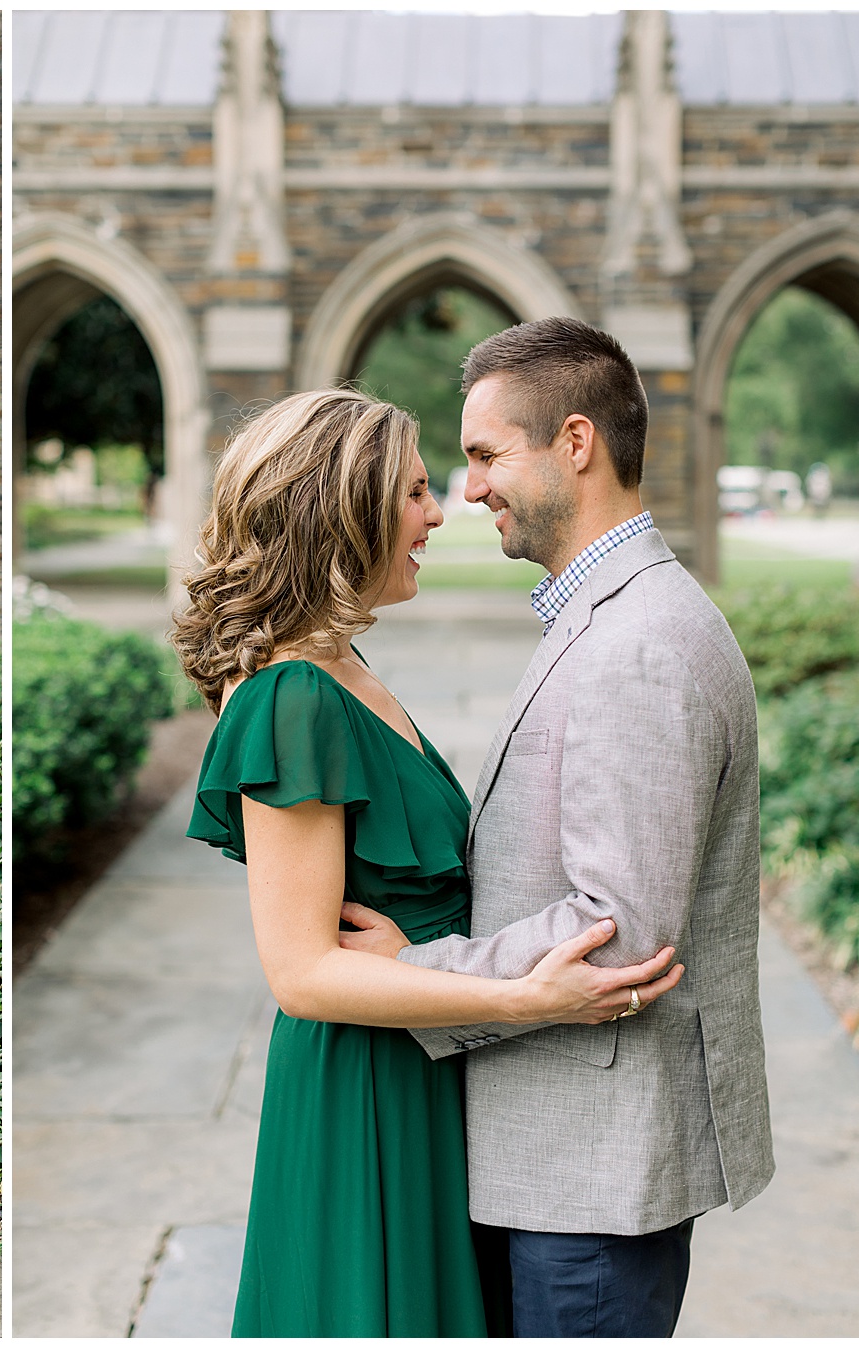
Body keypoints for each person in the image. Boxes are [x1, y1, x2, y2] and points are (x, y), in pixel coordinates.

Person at [174, 387, 684, 1337]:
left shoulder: (348, 673)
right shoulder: (291, 696)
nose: (440, 512)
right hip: (369, 1088)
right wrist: (523, 998)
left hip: (433, 1060)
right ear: (344, 507)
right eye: (414, 492)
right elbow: (300, 973)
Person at [342, 318, 773, 1336]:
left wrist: (423, 975)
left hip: (589, 1182)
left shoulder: (639, 645)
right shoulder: (607, 617)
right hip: (563, 1166)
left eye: (486, 454)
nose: (470, 487)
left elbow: (615, 934)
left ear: (574, 443)